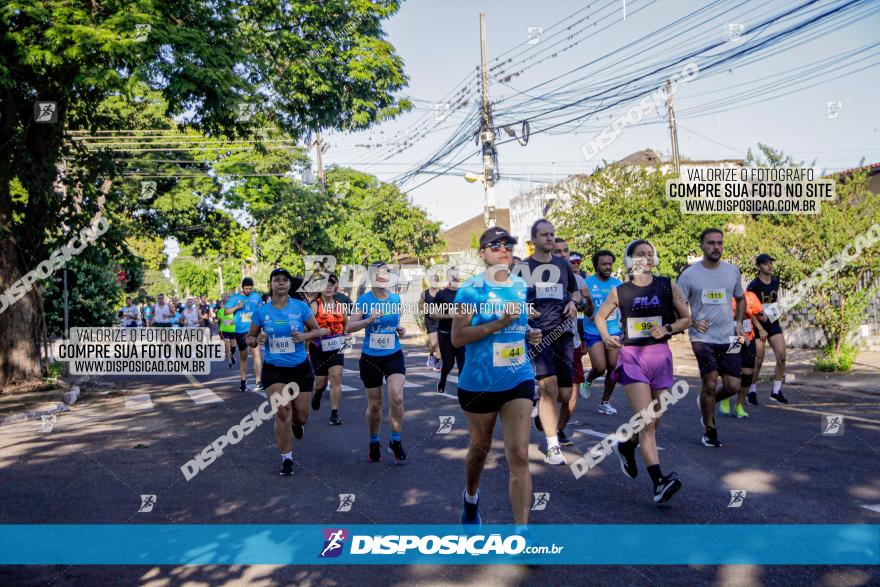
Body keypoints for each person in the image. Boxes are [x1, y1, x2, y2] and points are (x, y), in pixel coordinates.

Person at [451, 226, 543, 526]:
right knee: (480, 450)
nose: (504, 249)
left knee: (519, 453)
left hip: (518, 377)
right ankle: (471, 499)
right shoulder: (470, 289)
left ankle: (522, 533)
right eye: (495, 245)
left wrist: (529, 332)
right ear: (483, 253)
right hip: (479, 383)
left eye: (508, 245)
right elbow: (458, 338)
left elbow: (516, 327)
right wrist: (499, 323)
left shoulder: (519, 285)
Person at [594, 239, 692, 504]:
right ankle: (659, 482)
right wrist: (605, 337)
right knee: (647, 421)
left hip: (660, 357)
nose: (646, 258)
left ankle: (627, 445)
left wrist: (668, 329)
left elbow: (687, 318)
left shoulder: (666, 285)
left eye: (650, 254)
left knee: (655, 420)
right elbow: (599, 317)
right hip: (633, 357)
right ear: (630, 259)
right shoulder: (620, 291)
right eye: (640, 254)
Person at [247, 268, 328, 476]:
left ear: (289, 285)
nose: (281, 283)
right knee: (282, 411)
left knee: (301, 417)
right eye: (277, 280)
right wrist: (257, 340)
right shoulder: (261, 312)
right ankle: (287, 459)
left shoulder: (300, 307)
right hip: (274, 369)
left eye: (285, 280)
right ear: (270, 284)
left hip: (300, 367)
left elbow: (318, 330)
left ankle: (296, 424)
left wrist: (304, 336)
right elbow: (249, 339)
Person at [517, 219, 581, 465]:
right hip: (539, 335)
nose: (550, 238)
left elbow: (574, 292)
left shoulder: (563, 265)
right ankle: (553, 446)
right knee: (549, 389)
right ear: (533, 240)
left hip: (563, 333)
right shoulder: (522, 268)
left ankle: (544, 418)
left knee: (565, 394)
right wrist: (524, 312)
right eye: (544, 235)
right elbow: (512, 298)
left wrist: (573, 302)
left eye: (552, 234)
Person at [677, 228, 746, 448]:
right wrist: (692, 321)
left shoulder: (732, 271)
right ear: (702, 246)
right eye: (711, 243)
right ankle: (710, 429)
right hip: (702, 338)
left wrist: (739, 323)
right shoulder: (689, 275)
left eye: (719, 243)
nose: (716, 247)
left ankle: (707, 401)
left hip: (730, 338)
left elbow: (741, 299)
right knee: (710, 381)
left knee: (734, 385)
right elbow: (677, 304)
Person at [346, 262, 408, 463]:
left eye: (386, 273)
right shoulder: (364, 301)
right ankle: (374, 441)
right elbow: (349, 327)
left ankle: (395, 440)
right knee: (375, 405)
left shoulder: (396, 299)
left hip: (393, 353)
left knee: (397, 397)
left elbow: (395, 323)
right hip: (370, 357)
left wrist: (399, 330)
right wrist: (368, 320)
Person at [550, 238, 593, 447]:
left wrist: (588, 300)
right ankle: (545, 418)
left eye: (566, 251)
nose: (563, 255)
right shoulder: (540, 280)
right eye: (557, 251)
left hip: (571, 344)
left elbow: (588, 312)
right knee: (549, 390)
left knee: (570, 395)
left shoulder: (579, 281)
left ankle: (557, 430)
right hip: (546, 344)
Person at [582, 250, 624, 415]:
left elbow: (623, 307)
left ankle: (605, 402)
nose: (608, 267)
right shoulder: (587, 284)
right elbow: (585, 312)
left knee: (613, 367)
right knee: (600, 367)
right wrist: (588, 301)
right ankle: (589, 378)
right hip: (593, 331)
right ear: (596, 266)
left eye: (609, 263)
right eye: (604, 264)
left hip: (613, 330)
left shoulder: (617, 284)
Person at [747, 253, 788, 404]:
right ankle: (751, 390)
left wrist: (780, 310)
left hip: (773, 323)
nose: (769, 266)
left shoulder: (776, 281)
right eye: (765, 263)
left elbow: (774, 300)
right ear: (758, 266)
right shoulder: (753, 285)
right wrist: (759, 327)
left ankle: (776, 391)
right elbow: (749, 310)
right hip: (757, 326)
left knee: (782, 357)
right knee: (758, 360)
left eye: (771, 263)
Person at [719, 289, 765, 419]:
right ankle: (725, 399)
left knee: (747, 376)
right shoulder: (726, 296)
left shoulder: (750, 296)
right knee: (731, 371)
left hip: (748, 338)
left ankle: (739, 405)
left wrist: (766, 317)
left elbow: (759, 314)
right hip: (734, 338)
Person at [310, 275, 348, 426]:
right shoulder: (314, 305)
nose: (329, 287)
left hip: (336, 346)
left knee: (336, 377)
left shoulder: (340, 306)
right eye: (326, 285)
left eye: (331, 285)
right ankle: (318, 393)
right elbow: (306, 327)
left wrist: (346, 335)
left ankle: (334, 413)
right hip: (318, 348)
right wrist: (317, 331)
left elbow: (346, 324)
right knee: (320, 384)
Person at [226, 277, 264, 393]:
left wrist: (260, 310)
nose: (248, 291)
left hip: (254, 329)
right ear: (242, 287)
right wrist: (237, 307)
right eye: (246, 289)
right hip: (240, 331)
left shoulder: (256, 296)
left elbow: (261, 309)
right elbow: (226, 311)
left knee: (257, 353)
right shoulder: (235, 297)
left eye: (250, 289)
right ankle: (243, 382)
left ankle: (259, 381)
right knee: (243, 356)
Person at [420, 276, 443, 371]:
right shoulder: (425, 293)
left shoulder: (442, 293)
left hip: (441, 320)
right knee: (434, 343)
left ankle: (437, 363)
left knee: (440, 343)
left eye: (436, 281)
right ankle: (431, 355)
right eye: (433, 280)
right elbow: (420, 304)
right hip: (430, 320)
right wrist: (426, 309)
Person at [216, 295, 237, 368]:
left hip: (232, 330)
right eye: (222, 304)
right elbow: (219, 320)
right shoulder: (220, 311)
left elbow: (236, 320)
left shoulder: (233, 310)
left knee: (233, 346)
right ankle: (229, 361)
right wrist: (218, 321)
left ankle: (232, 355)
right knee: (227, 345)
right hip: (224, 330)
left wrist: (233, 322)